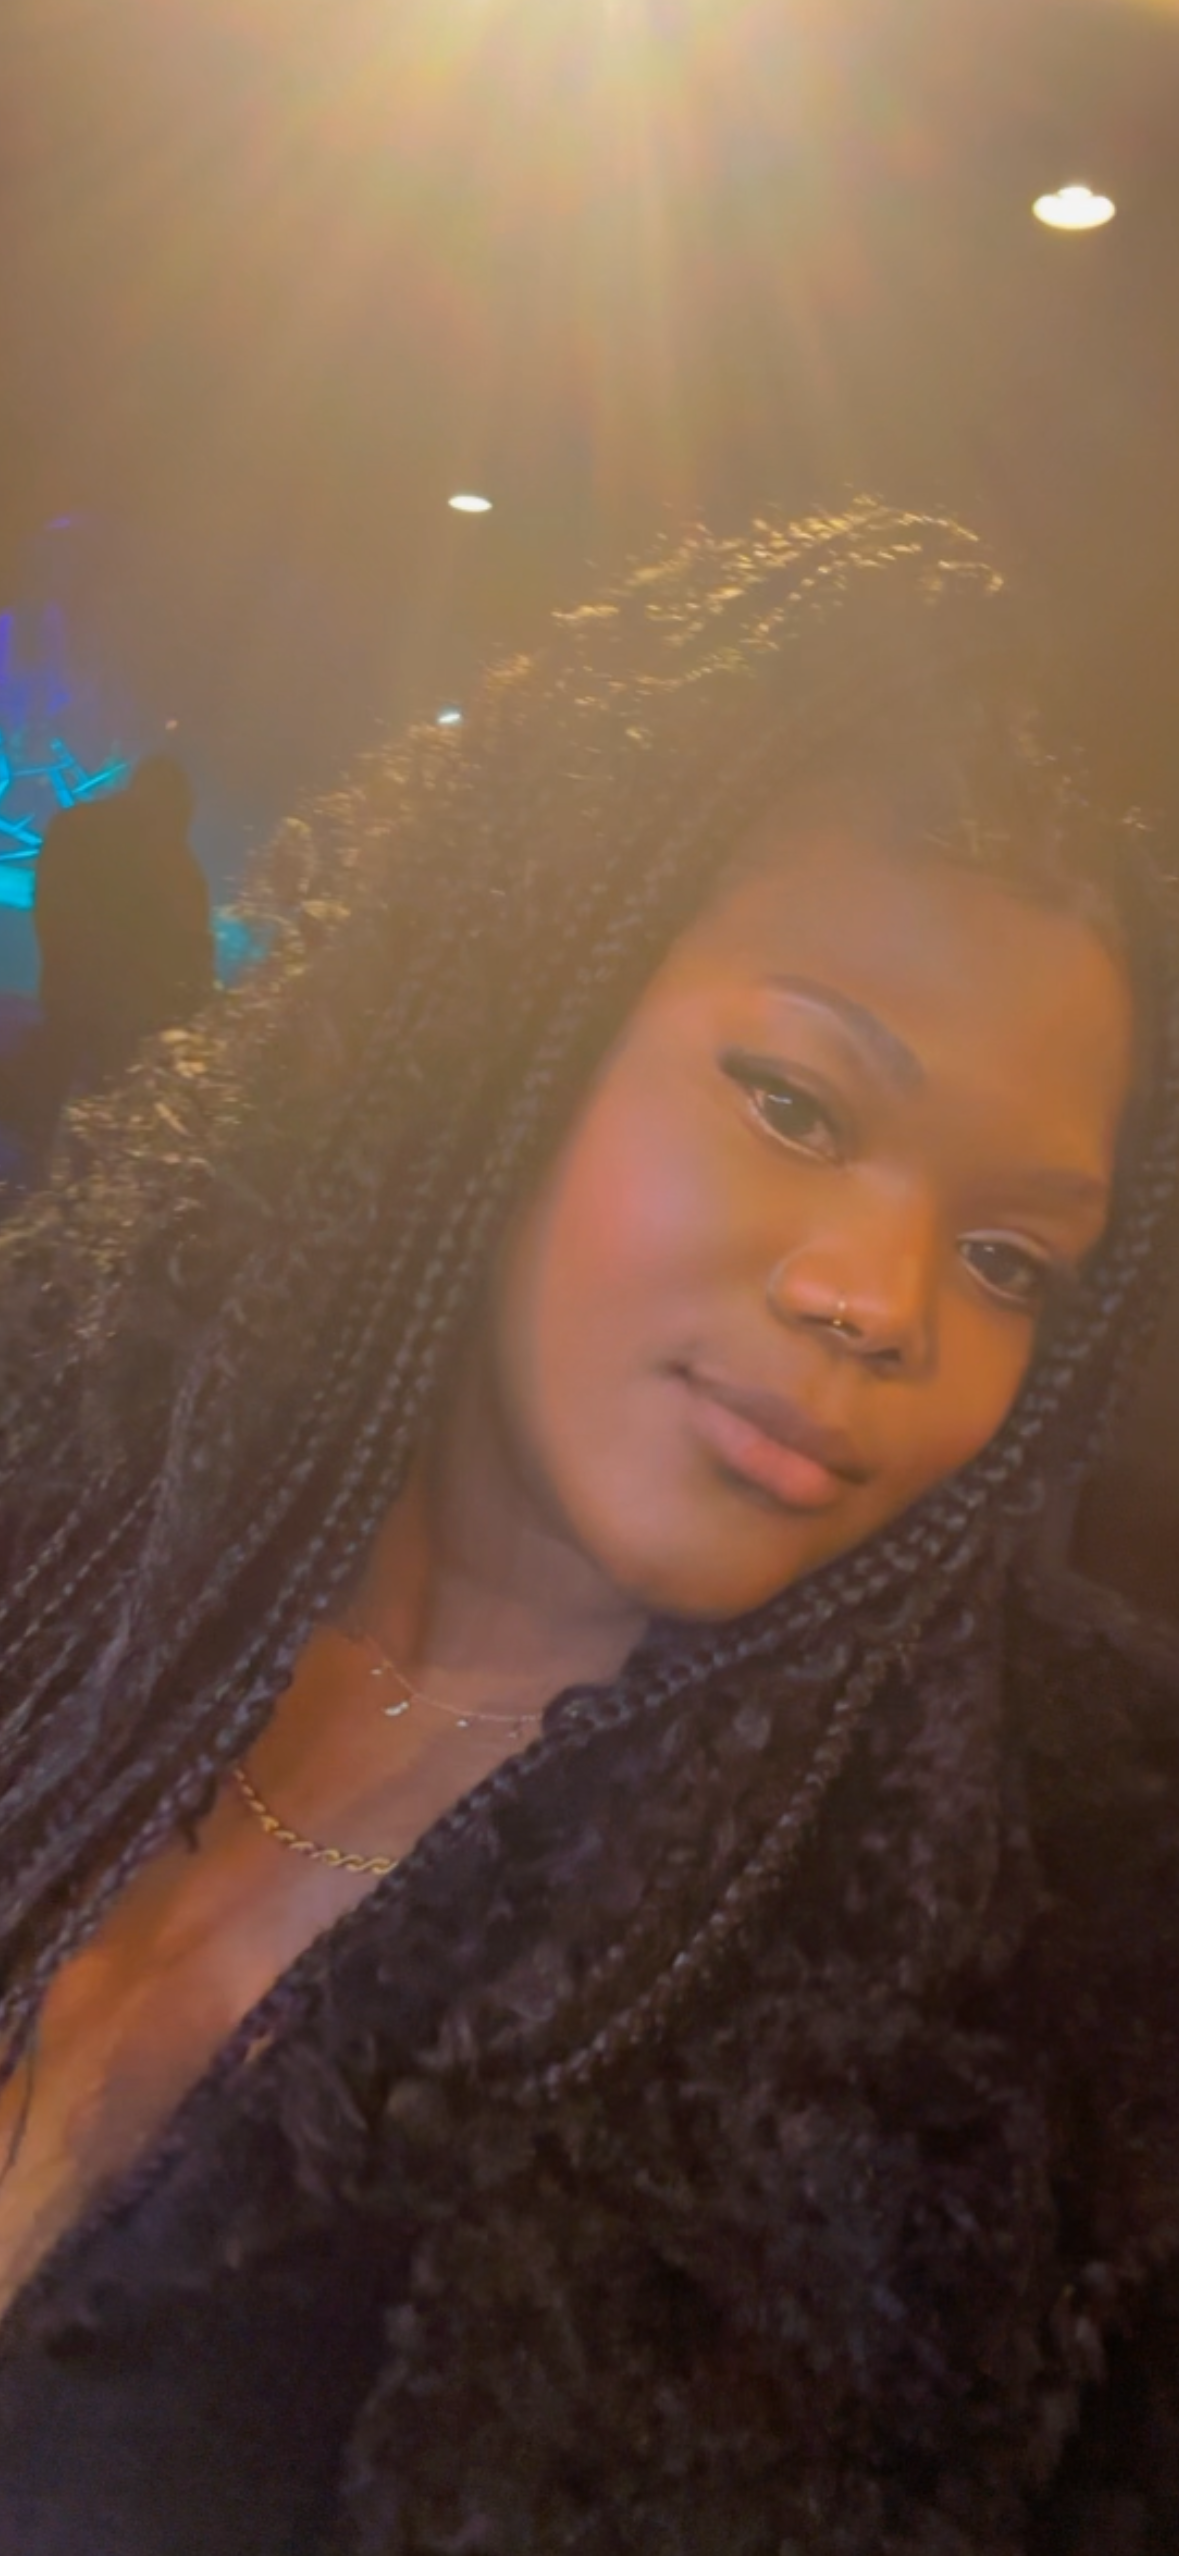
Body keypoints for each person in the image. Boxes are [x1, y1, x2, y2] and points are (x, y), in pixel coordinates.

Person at [0, 502, 1176, 2556]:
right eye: (793, 1104)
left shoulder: (1006, 2049)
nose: (877, 1300)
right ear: (508, 1033)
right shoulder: (63, 1558)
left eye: (1006, 1257)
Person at [21, 752, 214, 1153]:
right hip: (126, 1026)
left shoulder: (76, 827)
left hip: (76, 1009)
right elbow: (193, 956)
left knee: (49, 1123)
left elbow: (51, 916)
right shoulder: (176, 865)